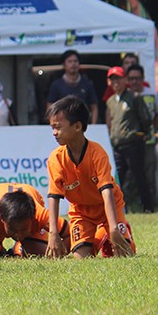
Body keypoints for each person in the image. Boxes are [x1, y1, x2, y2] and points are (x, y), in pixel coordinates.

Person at [47, 95, 137, 259]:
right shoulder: (56, 158)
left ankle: (116, 232)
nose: (54, 133)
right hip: (81, 212)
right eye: (52, 127)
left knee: (123, 255)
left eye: (58, 127)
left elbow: (107, 192)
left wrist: (114, 228)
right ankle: (101, 239)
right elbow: (54, 196)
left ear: (77, 127)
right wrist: (53, 233)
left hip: (108, 208)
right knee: (81, 258)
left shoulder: (97, 153)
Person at [106, 66, 155, 213]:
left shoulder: (134, 97)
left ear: (125, 80)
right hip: (117, 145)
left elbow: (146, 118)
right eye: (112, 79)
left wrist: (143, 133)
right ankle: (118, 208)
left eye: (118, 78)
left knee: (139, 176)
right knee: (117, 178)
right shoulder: (110, 101)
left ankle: (148, 207)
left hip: (133, 143)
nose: (116, 82)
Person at [0, 182, 65, 259]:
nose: (19, 235)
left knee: (39, 254)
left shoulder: (39, 214)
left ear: (32, 218)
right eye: (12, 229)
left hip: (30, 213)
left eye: (24, 229)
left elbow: (67, 230)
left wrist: (62, 250)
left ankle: (17, 249)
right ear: (1, 219)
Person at [127, 63, 158, 206]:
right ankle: (124, 206)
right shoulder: (125, 95)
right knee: (128, 175)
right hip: (129, 142)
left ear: (143, 78)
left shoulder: (151, 94)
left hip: (148, 141)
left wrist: (154, 129)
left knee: (149, 174)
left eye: (137, 78)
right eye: (131, 78)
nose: (135, 81)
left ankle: (150, 205)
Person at [46, 49, 98, 125]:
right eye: (70, 61)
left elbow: (94, 107)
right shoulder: (56, 85)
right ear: (64, 65)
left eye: (75, 61)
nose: (73, 64)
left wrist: (93, 124)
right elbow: (50, 107)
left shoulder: (87, 84)